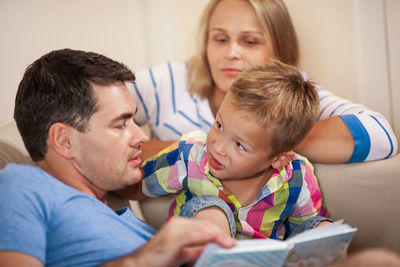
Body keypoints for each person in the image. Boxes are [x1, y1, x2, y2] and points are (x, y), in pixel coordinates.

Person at [0, 48, 236, 267]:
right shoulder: (21, 187)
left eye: (134, 120)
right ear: (64, 141)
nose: (141, 137)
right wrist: (143, 259)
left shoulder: (121, 218)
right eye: (121, 124)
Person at [130, 0, 397, 163]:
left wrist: (268, 143)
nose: (231, 52)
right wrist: (208, 150)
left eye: (250, 41)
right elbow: (95, 116)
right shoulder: (169, 80)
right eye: (220, 39)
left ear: (279, 51)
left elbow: (380, 135)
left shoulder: (296, 94)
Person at [131, 60, 330, 239]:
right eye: (219, 125)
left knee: (321, 230)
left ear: (278, 158)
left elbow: (303, 232)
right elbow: (136, 184)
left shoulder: (297, 176)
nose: (218, 147)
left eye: (240, 145)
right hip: (196, 256)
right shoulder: (191, 155)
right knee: (213, 213)